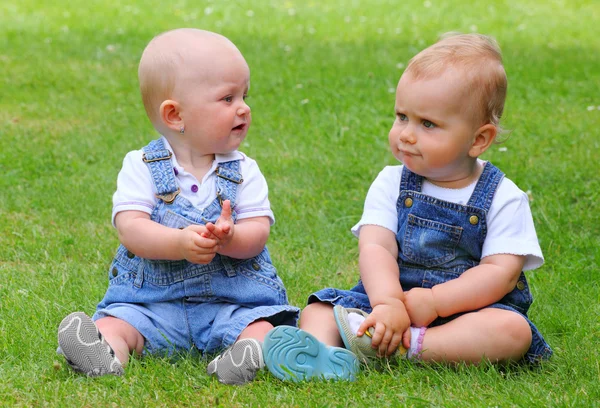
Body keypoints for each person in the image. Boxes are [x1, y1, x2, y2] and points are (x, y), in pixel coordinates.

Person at [262, 33, 552, 381]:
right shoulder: (391, 182)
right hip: (388, 299)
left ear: (478, 140)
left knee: (511, 331)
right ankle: (324, 354)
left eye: (427, 124)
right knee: (320, 310)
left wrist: (434, 303)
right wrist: (387, 303)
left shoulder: (504, 197)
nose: (406, 134)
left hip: (467, 313)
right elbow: (376, 246)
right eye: (402, 117)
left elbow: (500, 274)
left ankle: (409, 346)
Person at [57, 28, 300, 385]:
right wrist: (178, 243)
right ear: (174, 115)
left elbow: (259, 232)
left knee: (261, 326)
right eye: (227, 98)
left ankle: (244, 355)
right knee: (117, 323)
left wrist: (231, 240)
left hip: (230, 305)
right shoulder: (141, 165)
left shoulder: (244, 170)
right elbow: (131, 228)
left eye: (244, 96)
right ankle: (104, 353)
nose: (243, 108)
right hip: (153, 306)